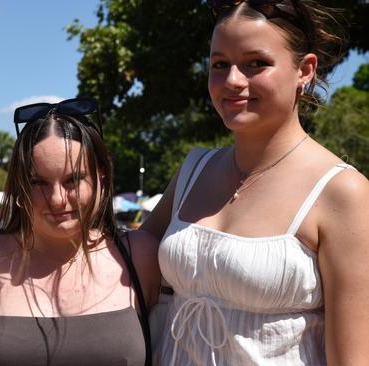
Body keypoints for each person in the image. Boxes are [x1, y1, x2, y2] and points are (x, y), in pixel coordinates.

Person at [137, 0, 369, 364]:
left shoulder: (342, 192)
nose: (232, 80)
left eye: (255, 63)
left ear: (305, 70)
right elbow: (131, 254)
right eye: (219, 64)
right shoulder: (193, 169)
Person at [0, 98, 161, 366]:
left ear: (101, 177)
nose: (57, 199)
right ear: (20, 184)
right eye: (38, 182)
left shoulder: (142, 257)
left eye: (73, 180)